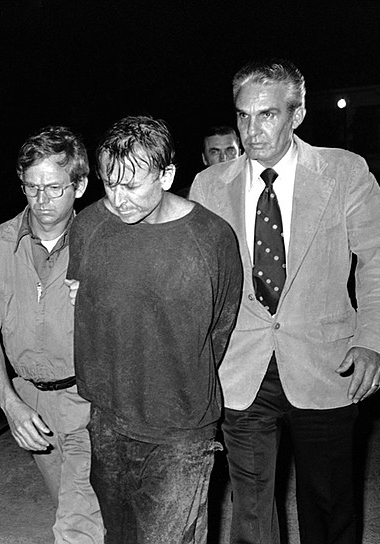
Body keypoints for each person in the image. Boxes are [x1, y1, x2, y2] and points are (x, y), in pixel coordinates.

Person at [189, 58, 380, 544]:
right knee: (251, 511)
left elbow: (378, 259)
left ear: (295, 115)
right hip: (240, 367)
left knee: (329, 504)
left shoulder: (344, 172)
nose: (252, 131)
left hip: (327, 364)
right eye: (243, 116)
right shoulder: (209, 185)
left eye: (267, 115)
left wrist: (373, 341)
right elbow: (189, 274)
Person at [66, 115, 242, 543]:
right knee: (119, 537)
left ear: (167, 175)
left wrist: (174, 377)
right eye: (109, 183)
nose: (118, 198)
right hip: (107, 419)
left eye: (131, 185)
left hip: (180, 430)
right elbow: (83, 304)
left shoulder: (210, 238)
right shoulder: (88, 227)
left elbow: (221, 326)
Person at [0, 126, 104, 544]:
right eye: (32, 188)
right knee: (74, 509)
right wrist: (9, 404)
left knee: (76, 523)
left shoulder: (103, 241)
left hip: (90, 402)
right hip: (31, 402)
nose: (41, 200)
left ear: (79, 185)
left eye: (53, 187)